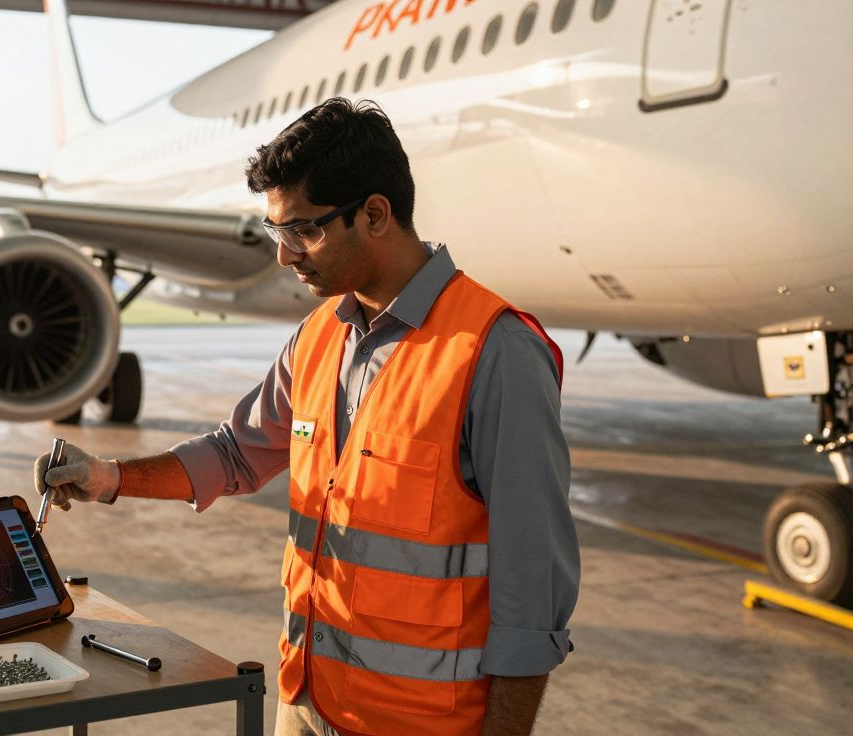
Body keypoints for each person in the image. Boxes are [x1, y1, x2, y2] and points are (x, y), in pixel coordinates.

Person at [34, 99, 579, 736]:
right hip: (308, 703)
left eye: (304, 231)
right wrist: (108, 477)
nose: (285, 256)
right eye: (277, 232)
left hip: (423, 724)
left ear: (375, 214)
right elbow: (236, 454)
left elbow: (531, 592)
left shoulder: (495, 352)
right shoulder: (320, 336)